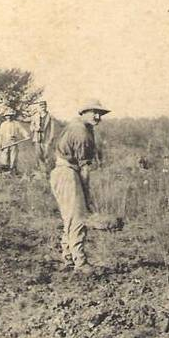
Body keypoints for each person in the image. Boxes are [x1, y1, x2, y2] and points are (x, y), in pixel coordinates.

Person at [51, 99, 110, 274]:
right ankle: (80, 262)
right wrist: (86, 193)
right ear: (84, 112)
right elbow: (85, 168)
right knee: (77, 218)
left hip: (63, 172)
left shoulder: (80, 126)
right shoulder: (81, 131)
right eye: (94, 112)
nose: (98, 116)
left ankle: (68, 257)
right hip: (68, 173)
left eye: (100, 114)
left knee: (70, 218)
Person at [0, 110, 28, 175]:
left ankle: (12, 170)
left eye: (10, 115)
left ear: (12, 116)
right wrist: (0, 144)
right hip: (5, 142)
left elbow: (22, 130)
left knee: (13, 156)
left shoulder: (16, 123)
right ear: (5, 117)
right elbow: (0, 135)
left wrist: (26, 135)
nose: (9, 117)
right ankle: (5, 171)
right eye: (7, 116)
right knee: (4, 156)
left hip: (14, 141)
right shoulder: (3, 124)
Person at [29, 100, 56, 172]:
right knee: (38, 154)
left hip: (46, 137)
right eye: (41, 106)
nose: (43, 107)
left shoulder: (50, 116)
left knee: (46, 154)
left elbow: (52, 128)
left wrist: (51, 138)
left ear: (46, 106)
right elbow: (31, 127)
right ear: (39, 107)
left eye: (44, 106)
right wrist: (35, 128)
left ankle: (47, 170)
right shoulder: (35, 116)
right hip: (37, 137)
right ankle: (39, 170)